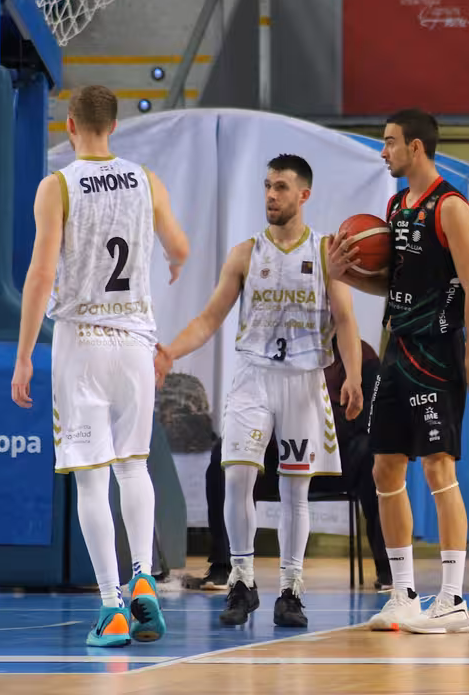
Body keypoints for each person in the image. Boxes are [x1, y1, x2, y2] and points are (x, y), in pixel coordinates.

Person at [11, 85, 190, 647]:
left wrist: (23, 356)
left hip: (82, 342)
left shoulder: (57, 186)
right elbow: (180, 246)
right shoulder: (146, 180)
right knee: (134, 468)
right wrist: (173, 263)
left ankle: (112, 607)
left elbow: (42, 274)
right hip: (135, 343)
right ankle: (144, 576)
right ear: (114, 126)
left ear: (69, 126)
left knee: (92, 479)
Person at [154, 154, 364, 628]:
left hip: (304, 379)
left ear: (304, 195)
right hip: (253, 376)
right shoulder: (245, 253)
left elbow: (346, 320)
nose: (271, 194)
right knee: (236, 477)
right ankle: (242, 581)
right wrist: (170, 351)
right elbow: (209, 318)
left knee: (295, 489)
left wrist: (352, 376)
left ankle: (291, 590)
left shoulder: (326, 251)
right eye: (267, 185)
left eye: (281, 187)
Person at [327, 108, 469, 635]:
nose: (384, 152)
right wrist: (346, 275)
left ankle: (453, 599)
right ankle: (402, 594)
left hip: (439, 353)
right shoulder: (396, 207)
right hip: (397, 350)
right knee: (384, 469)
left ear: (416, 147)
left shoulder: (451, 207)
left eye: (390, 142)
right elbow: (395, 284)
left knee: (438, 469)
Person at [184, 337, 392, 592]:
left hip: (337, 458)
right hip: (279, 457)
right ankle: (224, 566)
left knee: (375, 457)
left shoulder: (362, 355)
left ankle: (388, 569)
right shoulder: (275, 349)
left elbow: (370, 416)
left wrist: (322, 427)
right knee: (226, 457)